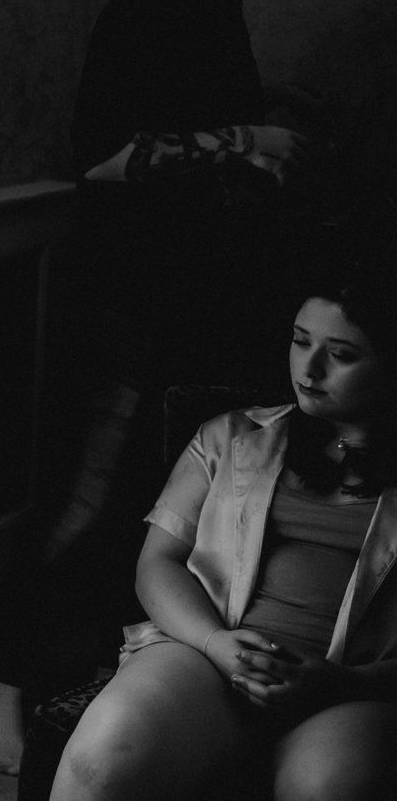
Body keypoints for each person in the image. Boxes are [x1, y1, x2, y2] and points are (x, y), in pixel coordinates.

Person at [0, 0, 353, 773]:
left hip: (181, 304)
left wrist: (261, 112)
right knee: (83, 497)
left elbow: (179, 125)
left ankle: (100, 675)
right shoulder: (159, 2)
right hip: (124, 303)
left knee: (141, 511)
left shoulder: (215, 15)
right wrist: (246, 137)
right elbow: (103, 158)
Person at [52, 250, 397, 800]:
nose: (308, 370)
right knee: (102, 759)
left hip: (352, 687)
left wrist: (346, 683)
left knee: (333, 787)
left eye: (341, 355)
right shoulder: (231, 438)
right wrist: (216, 644)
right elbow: (156, 563)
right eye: (300, 340)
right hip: (207, 656)